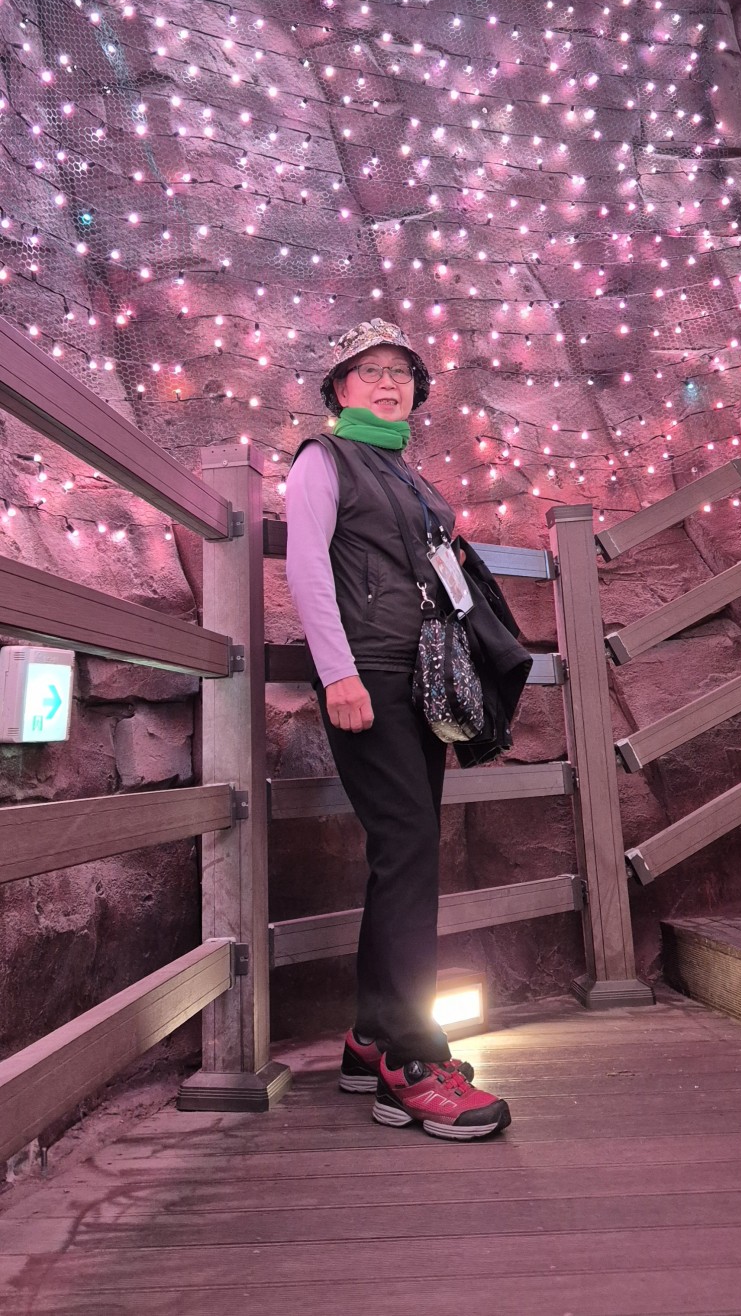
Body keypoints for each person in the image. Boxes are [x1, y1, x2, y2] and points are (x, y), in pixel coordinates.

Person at [284, 317, 515, 1141]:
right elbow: (308, 568)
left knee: (405, 853)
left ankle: (370, 1039)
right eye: (371, 370)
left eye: (401, 372)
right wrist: (337, 673)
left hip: (420, 681)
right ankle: (410, 1064)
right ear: (339, 387)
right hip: (370, 679)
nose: (389, 383)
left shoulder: (404, 473)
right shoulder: (323, 460)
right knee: (409, 848)